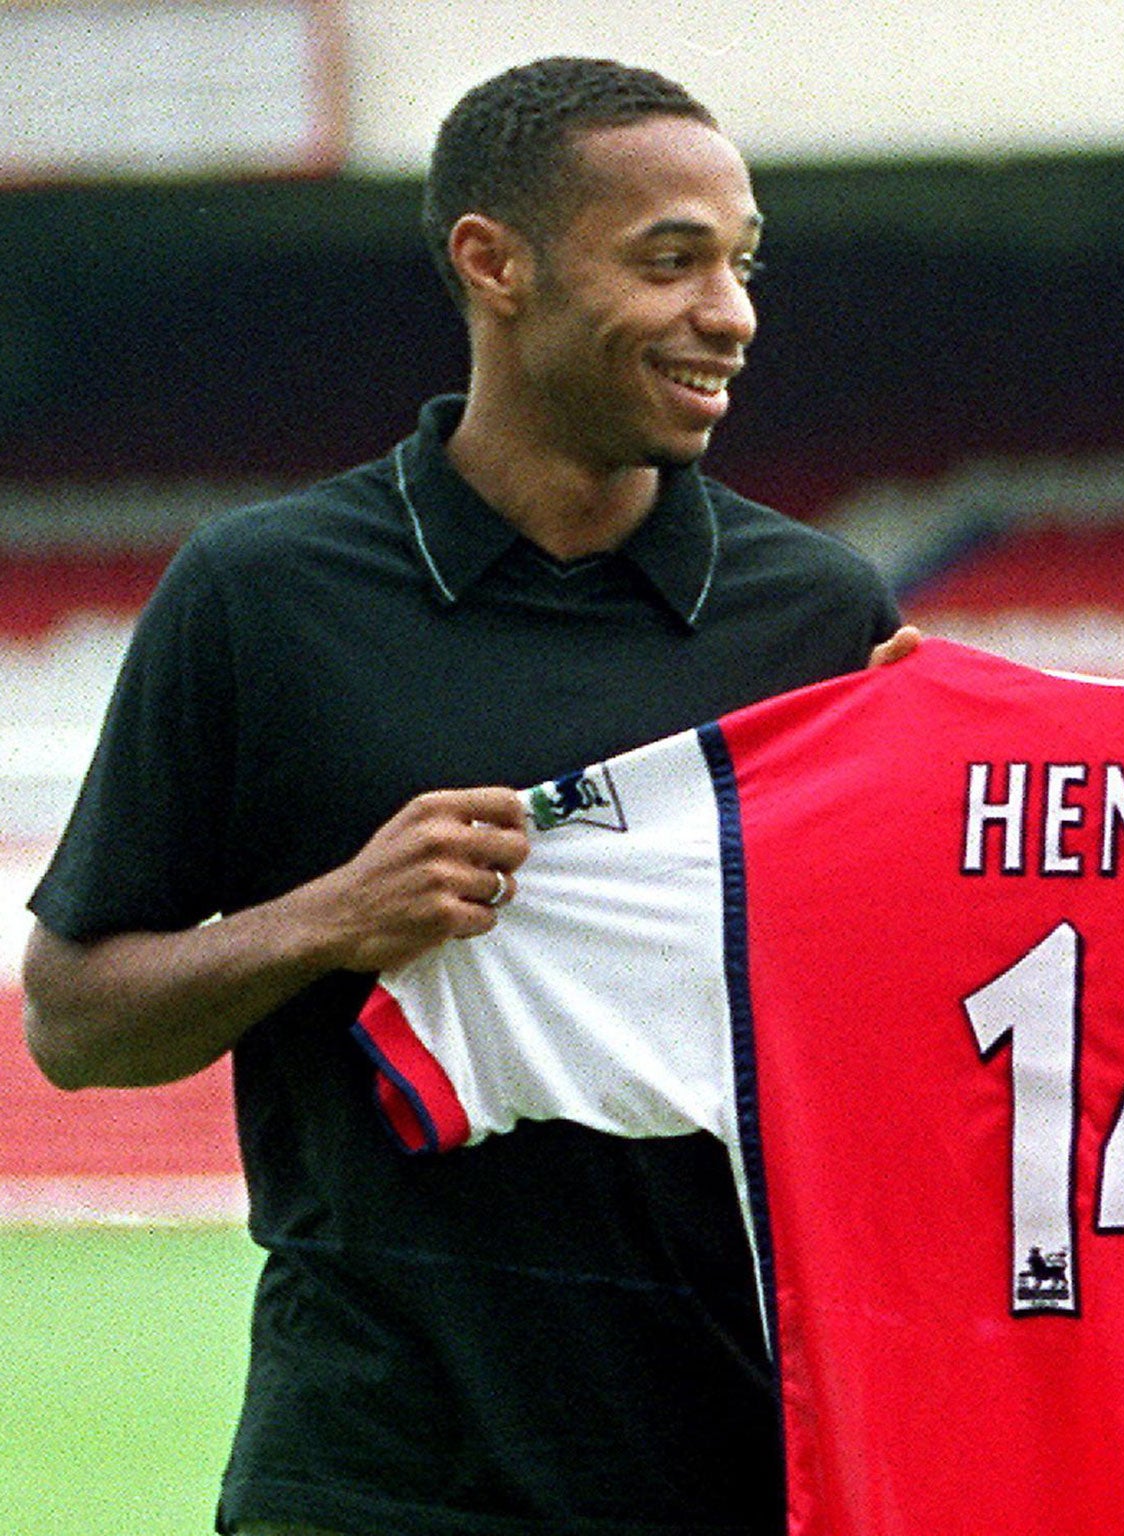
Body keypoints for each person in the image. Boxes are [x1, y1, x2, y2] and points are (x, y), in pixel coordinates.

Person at [22, 56, 903, 1536]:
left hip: (737, 1463)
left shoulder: (819, 623)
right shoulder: (265, 595)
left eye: (741, 264)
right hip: (370, 1471)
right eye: (670, 260)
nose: (731, 314)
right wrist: (326, 919)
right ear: (494, 263)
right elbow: (75, 1019)